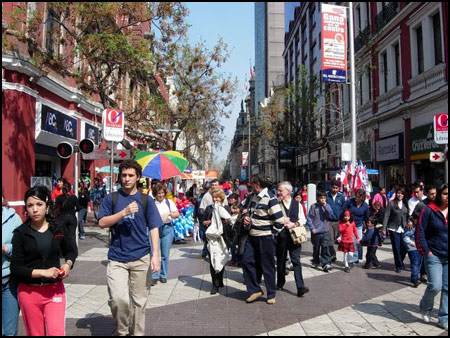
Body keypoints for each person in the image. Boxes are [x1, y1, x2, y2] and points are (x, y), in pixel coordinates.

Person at [98, 160, 163, 336]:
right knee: (118, 300)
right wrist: (123, 213)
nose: (126, 179)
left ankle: (137, 334)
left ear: (138, 177)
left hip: (141, 257)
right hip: (117, 258)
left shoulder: (146, 200)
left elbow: (154, 227)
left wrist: (155, 255)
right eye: (124, 175)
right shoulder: (112, 198)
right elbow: (102, 222)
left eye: (130, 175)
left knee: (139, 303)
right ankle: (122, 330)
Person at [11, 186, 76, 336]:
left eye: (39, 204)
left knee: (56, 333)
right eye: (30, 205)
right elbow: (16, 268)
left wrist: (68, 264)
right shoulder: (21, 233)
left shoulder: (57, 228)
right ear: (26, 208)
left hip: (54, 291)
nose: (35, 209)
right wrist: (43, 273)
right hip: (29, 292)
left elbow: (71, 251)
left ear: (47, 206)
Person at [242, 174, 284, 304]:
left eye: (252, 183)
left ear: (258, 184)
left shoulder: (270, 199)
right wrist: (246, 219)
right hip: (252, 236)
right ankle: (255, 289)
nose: (251, 185)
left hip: (265, 238)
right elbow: (250, 212)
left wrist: (271, 233)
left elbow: (280, 221)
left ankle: (271, 294)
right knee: (246, 261)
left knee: (267, 266)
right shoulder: (253, 197)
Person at [417, 184, 448, 331]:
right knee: (435, 285)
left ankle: (443, 318)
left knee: (447, 288)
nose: (447, 197)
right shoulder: (429, 210)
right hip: (434, 254)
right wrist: (426, 251)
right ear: (439, 195)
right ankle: (425, 306)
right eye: (445, 194)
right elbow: (420, 231)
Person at [276, 182, 309, 297]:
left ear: (288, 192)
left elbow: (303, 220)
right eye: (278, 191)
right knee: (281, 261)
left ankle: (300, 286)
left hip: (294, 237)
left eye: (281, 191)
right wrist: (281, 221)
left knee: (296, 261)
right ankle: (280, 282)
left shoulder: (297, 204)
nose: (278, 193)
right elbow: (272, 220)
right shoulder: (276, 204)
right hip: (281, 236)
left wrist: (294, 224)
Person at [202, 190, 232, 294]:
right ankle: (214, 283)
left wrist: (227, 222)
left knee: (222, 258)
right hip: (212, 238)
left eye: (217, 197)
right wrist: (205, 222)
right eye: (214, 197)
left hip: (224, 238)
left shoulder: (226, 208)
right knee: (213, 260)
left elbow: (231, 222)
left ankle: (220, 279)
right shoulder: (209, 208)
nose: (215, 200)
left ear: (222, 198)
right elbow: (203, 220)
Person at [151, 183, 180, 286]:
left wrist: (168, 214)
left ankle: (163, 275)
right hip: (155, 229)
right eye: (159, 193)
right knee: (154, 252)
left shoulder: (169, 202)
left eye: (163, 193)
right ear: (155, 194)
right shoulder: (152, 203)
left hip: (167, 228)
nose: (161, 195)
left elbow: (177, 214)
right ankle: (154, 275)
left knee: (165, 253)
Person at [2, 189, 22, 336]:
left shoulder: (13, 218)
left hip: (9, 281)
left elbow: (22, 249)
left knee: (9, 331)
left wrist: (6, 248)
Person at [383, 187, 409, 273]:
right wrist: (384, 228)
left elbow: (408, 215)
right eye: (398, 193)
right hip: (393, 228)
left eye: (401, 193)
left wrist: (409, 222)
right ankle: (398, 265)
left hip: (403, 228)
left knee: (404, 247)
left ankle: (400, 261)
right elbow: (386, 215)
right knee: (396, 247)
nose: (400, 195)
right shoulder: (391, 203)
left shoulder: (405, 203)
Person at [341, 189, 369, 265]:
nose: (356, 198)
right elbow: (343, 209)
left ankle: (355, 258)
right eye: (355, 196)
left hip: (359, 226)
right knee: (351, 242)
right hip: (349, 225)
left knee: (357, 242)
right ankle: (351, 259)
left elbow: (366, 217)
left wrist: (367, 227)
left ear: (362, 198)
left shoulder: (365, 206)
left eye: (358, 197)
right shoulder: (350, 201)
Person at [308, 191, 334, 272]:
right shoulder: (313, 207)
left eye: (324, 198)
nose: (323, 199)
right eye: (321, 198)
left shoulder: (327, 206)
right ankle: (315, 261)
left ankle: (326, 263)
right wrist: (312, 228)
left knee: (325, 247)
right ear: (318, 198)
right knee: (316, 248)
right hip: (316, 231)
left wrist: (325, 206)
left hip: (325, 230)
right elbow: (309, 218)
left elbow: (330, 214)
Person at [56, 182, 81, 256]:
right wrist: (73, 211)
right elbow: (79, 207)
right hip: (72, 218)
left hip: (62, 218)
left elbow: (55, 208)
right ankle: (74, 253)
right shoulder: (74, 197)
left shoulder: (59, 198)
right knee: (72, 236)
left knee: (62, 236)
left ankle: (62, 253)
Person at [326, 180, 346, 263]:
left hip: (338, 221)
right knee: (330, 239)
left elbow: (343, 208)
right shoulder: (326, 195)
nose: (334, 189)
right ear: (331, 187)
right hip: (328, 221)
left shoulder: (341, 197)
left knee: (336, 239)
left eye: (336, 188)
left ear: (339, 188)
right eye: (333, 187)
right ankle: (332, 255)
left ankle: (332, 254)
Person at [402, 217, 423, 288]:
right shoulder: (411, 226)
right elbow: (405, 236)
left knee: (418, 262)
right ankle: (415, 279)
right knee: (415, 262)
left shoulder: (421, 225)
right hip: (413, 248)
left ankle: (414, 276)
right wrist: (411, 242)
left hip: (420, 247)